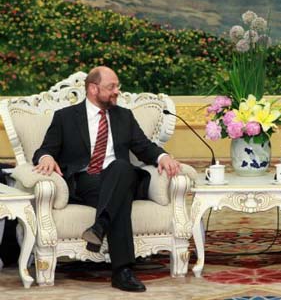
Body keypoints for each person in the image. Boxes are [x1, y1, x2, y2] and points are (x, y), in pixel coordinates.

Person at [33, 66, 181, 292]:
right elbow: (44, 149)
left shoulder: (124, 116)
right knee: (119, 196)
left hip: (123, 176)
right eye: (111, 87)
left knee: (120, 167)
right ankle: (122, 271)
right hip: (87, 182)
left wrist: (163, 156)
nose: (117, 91)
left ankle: (100, 227)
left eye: (118, 86)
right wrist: (45, 158)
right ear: (93, 89)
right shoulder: (65, 117)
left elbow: (143, 147)